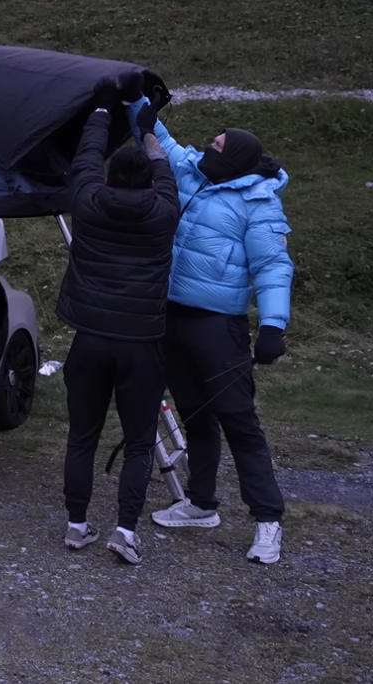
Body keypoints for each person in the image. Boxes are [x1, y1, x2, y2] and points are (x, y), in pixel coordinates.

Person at [133, 98, 294, 565]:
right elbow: (160, 140)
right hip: (171, 318)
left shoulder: (258, 202)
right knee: (195, 415)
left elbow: (272, 266)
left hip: (218, 326)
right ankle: (201, 505)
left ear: (234, 158)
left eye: (217, 144)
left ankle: (268, 522)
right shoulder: (192, 172)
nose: (208, 146)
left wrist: (273, 325)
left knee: (238, 421)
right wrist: (138, 96)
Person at [56, 84, 180, 565]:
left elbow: (86, 157)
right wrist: (145, 128)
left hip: (90, 342)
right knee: (137, 442)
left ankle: (76, 526)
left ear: (107, 179)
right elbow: (165, 166)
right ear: (150, 183)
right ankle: (125, 531)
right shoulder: (164, 211)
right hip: (142, 346)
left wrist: (102, 111)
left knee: (81, 436)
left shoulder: (88, 202)